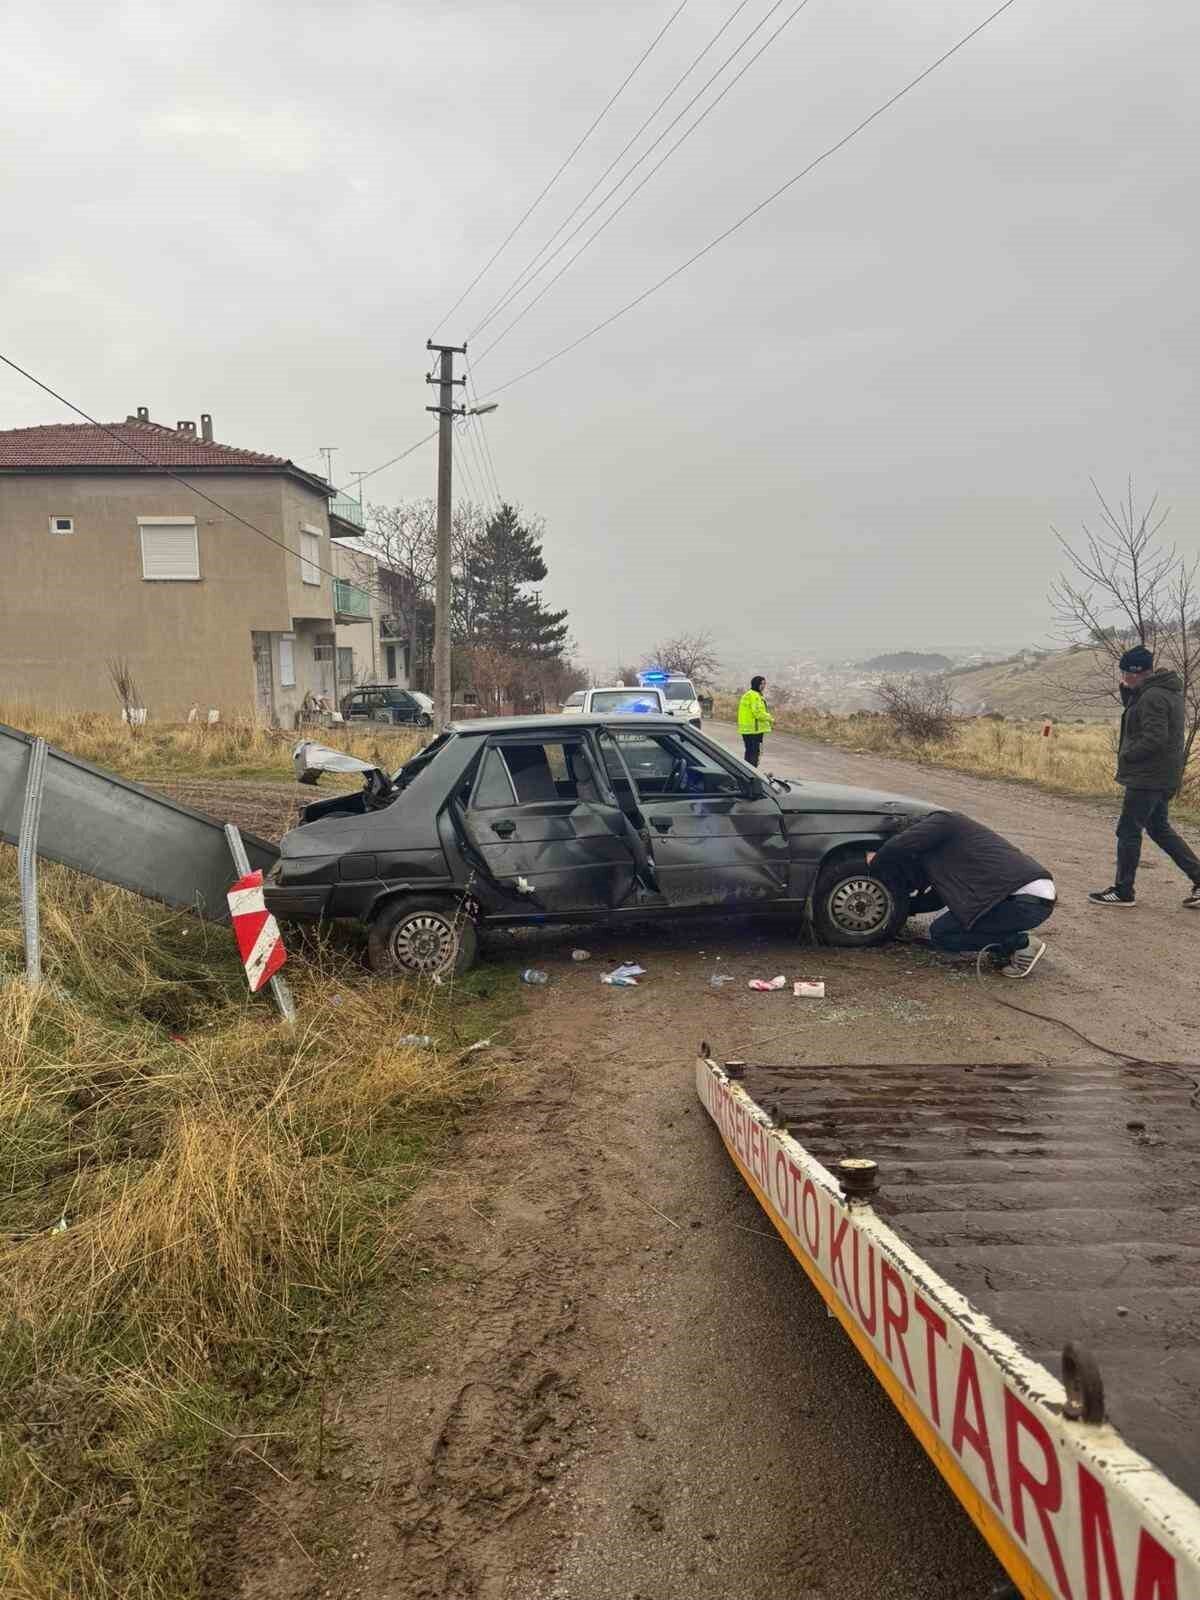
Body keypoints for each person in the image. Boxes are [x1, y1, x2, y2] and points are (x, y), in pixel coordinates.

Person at [868, 810, 1055, 979]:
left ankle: (1022, 944)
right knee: (946, 928)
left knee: (944, 934)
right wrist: (898, 911)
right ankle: (1005, 945)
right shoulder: (949, 849)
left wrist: (875, 861)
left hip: (1023, 901)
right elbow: (936, 899)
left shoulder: (946, 821)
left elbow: (898, 845)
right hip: (1023, 898)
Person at [1088, 645, 1200, 909]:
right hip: (1162, 775)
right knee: (1159, 829)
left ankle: (1123, 891)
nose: (1123, 677)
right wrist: (1129, 694)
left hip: (1147, 777)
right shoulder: (1163, 692)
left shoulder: (1152, 697)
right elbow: (1142, 719)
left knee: (1128, 830)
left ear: (1136, 672)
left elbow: (1154, 737)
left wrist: (1128, 755)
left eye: (1125, 673)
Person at [737, 675, 772, 767]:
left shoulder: (748, 694)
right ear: (756, 684)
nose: (764, 686)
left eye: (764, 684)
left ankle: (746, 771)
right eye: (762, 684)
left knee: (749, 752)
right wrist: (770, 718)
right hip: (755, 730)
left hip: (747, 730)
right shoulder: (755, 696)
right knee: (755, 753)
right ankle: (753, 772)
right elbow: (758, 712)